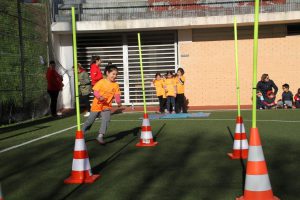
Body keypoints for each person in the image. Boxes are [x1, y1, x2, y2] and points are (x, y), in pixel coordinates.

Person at [82, 65, 122, 144]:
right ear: (107, 73)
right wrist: (99, 97)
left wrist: (118, 102)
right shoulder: (101, 82)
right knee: (90, 121)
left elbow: (117, 94)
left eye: (116, 74)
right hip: (97, 105)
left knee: (106, 120)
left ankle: (100, 136)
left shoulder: (116, 85)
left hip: (106, 106)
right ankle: (81, 133)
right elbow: (95, 91)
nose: (115, 76)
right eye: (113, 74)